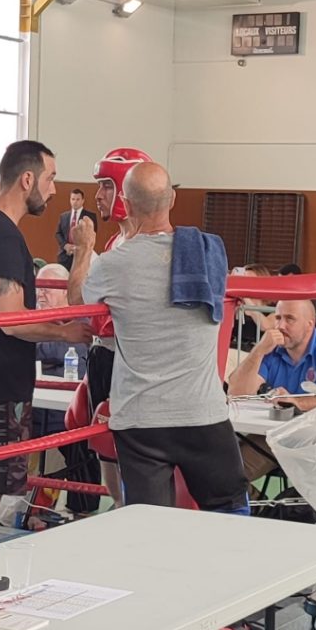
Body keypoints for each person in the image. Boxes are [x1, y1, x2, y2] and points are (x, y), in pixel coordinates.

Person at [77, 161, 248, 513]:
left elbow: (77, 304)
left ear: (126, 202)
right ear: (171, 198)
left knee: (148, 525)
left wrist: (83, 249)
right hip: (201, 413)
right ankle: (235, 569)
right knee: (231, 510)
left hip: (141, 420)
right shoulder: (207, 252)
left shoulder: (112, 263)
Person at [0, 140, 92, 527]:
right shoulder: (3, 236)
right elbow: (12, 320)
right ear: (28, 179)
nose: (55, 189)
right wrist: (67, 332)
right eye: (51, 178)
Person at [68, 147, 153, 507]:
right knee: (104, 447)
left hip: (130, 360)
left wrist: (83, 249)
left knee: (132, 450)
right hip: (104, 355)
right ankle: (119, 513)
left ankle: (134, 523)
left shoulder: (139, 247)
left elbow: (77, 301)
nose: (98, 195)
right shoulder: (116, 241)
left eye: (106, 185)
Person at [228, 299, 316, 485]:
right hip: (274, 436)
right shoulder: (273, 351)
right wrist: (259, 350)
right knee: (228, 472)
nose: (280, 325)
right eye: (278, 318)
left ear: (310, 323)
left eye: (290, 319)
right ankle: (256, 509)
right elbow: (237, 393)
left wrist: (297, 402)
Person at [34, 264, 94, 514]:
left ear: (66, 292)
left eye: (48, 289)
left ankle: (79, 508)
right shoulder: (32, 318)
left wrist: (47, 336)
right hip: (33, 406)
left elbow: (63, 352)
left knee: (77, 438)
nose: (40, 295)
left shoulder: (82, 319)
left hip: (69, 410)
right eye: (38, 288)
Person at [55, 189, 97, 271]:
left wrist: (78, 247)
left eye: (78, 199)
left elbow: (91, 235)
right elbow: (58, 233)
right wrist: (65, 245)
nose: (75, 202)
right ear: (70, 200)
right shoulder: (63, 216)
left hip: (82, 256)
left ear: (83, 201)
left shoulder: (90, 216)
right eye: (73, 199)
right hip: (64, 255)